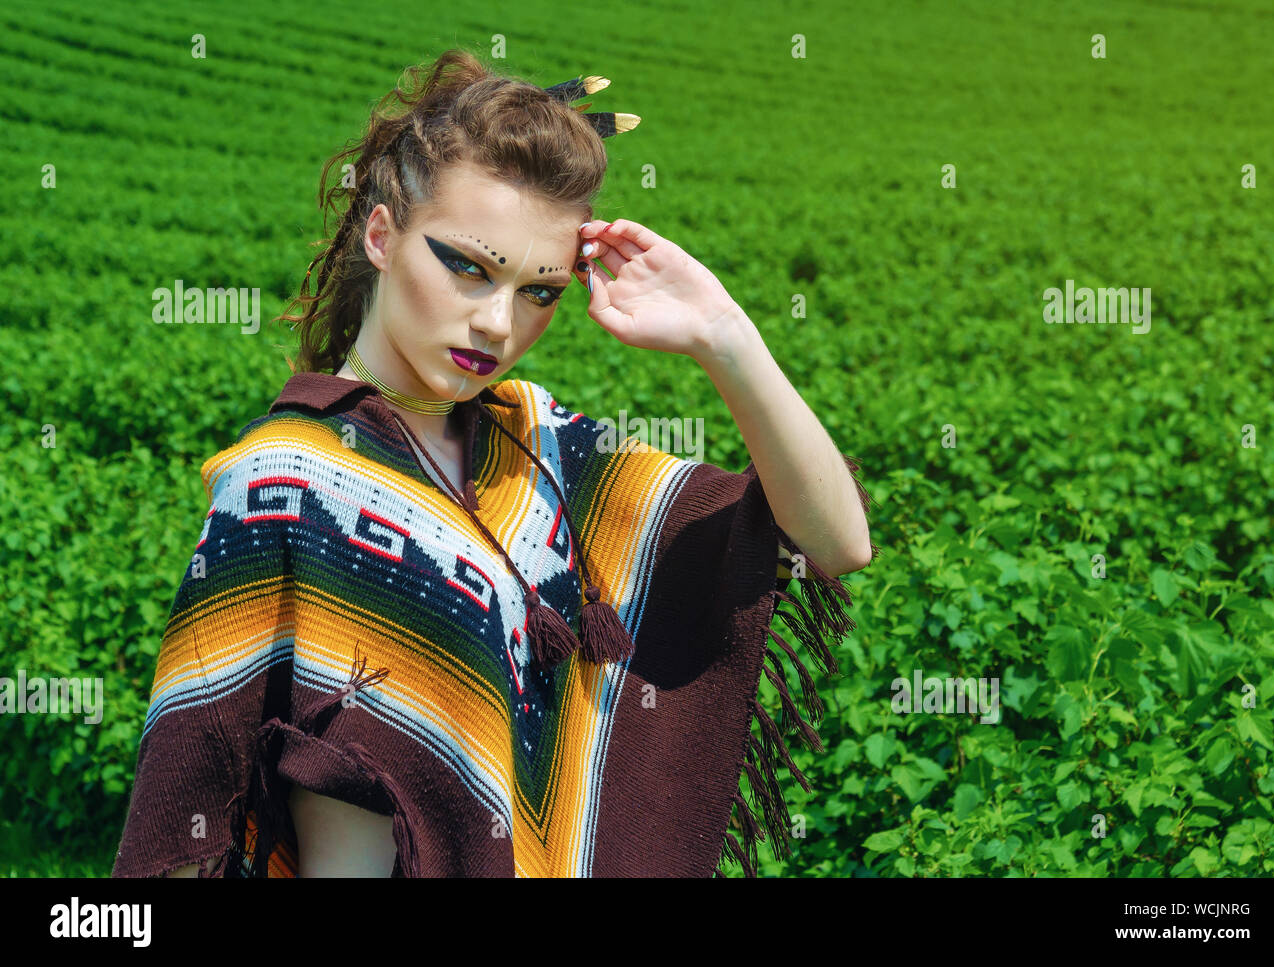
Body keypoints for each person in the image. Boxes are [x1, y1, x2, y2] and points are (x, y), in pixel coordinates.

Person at [111, 49, 876, 878]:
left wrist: (725, 334)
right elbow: (189, 815)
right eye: (468, 267)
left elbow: (835, 539)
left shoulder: (536, 448)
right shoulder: (285, 481)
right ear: (380, 234)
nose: (496, 324)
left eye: (539, 291)